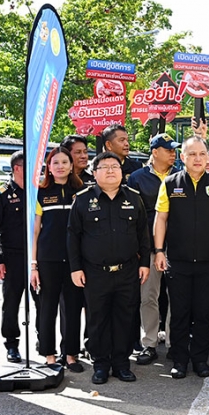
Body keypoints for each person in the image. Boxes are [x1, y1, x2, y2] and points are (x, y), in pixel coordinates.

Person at [68, 152, 151, 384]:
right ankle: (101, 364)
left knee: (125, 318)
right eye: (104, 167)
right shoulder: (83, 199)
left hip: (128, 270)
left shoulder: (134, 198)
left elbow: (143, 235)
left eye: (115, 166)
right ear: (95, 174)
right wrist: (76, 268)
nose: (111, 170)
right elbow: (73, 236)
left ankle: (122, 364)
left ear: (122, 171)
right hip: (95, 272)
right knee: (98, 319)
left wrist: (144, 263)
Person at [154, 136, 209, 379]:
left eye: (202, 154)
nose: (198, 159)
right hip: (178, 260)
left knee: (203, 313)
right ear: (183, 157)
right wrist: (159, 251)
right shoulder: (169, 183)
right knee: (179, 314)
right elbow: (161, 218)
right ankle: (180, 360)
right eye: (192, 154)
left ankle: (200, 359)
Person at [127, 133, 181, 365]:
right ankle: (149, 342)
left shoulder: (181, 176)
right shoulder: (138, 178)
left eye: (174, 149)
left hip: (178, 246)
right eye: (168, 149)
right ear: (154, 152)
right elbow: (132, 217)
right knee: (149, 296)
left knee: (176, 297)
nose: (173, 153)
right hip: (149, 247)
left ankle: (173, 342)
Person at [30, 148, 84, 372]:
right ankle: (49, 355)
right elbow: (34, 231)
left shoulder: (81, 192)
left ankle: (71, 354)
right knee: (47, 307)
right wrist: (33, 265)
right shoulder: (40, 194)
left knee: (72, 308)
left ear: (72, 166)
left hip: (74, 261)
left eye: (65, 162)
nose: (60, 166)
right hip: (47, 260)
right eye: (55, 163)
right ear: (48, 168)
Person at [0, 150, 28, 363]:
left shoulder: (37, 191)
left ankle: (43, 341)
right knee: (12, 302)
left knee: (43, 302)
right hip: (12, 258)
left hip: (37, 258)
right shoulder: (1, 194)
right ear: (17, 169)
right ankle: (11, 344)